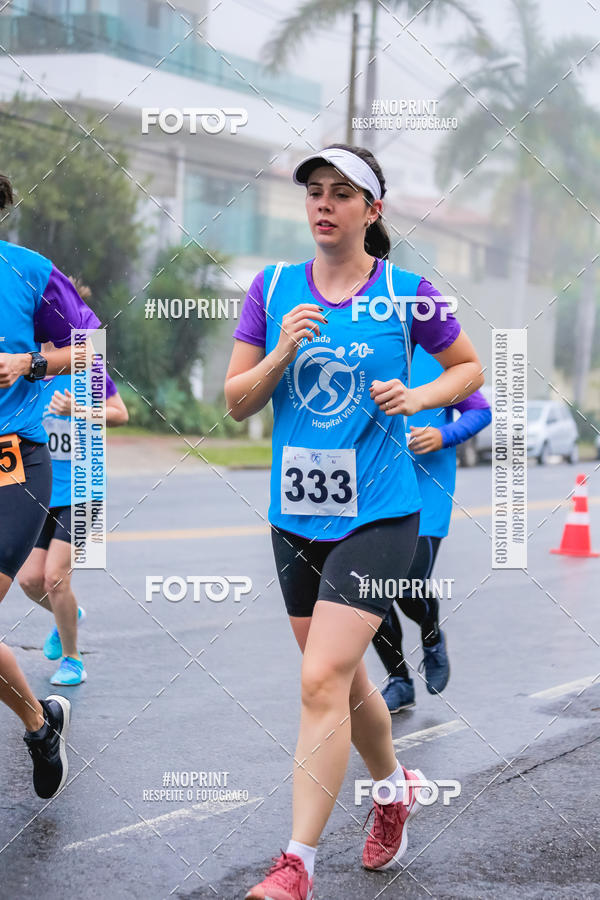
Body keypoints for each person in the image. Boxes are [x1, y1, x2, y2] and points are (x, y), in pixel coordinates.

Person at [224, 144, 485, 900]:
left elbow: (470, 370)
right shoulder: (271, 289)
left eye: (342, 192)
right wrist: (280, 352)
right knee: (338, 680)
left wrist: (422, 394)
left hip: (381, 515)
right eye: (314, 190)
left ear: (373, 211)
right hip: (295, 519)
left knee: (320, 679)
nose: (324, 203)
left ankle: (297, 862)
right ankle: (394, 786)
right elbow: (236, 402)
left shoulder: (408, 294)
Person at [0, 173, 99, 798]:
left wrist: (29, 363)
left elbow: (90, 346)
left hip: (13, 460)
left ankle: (41, 719)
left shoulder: (30, 271)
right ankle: (42, 725)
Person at [372, 344, 491, 712]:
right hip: (373, 487)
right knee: (365, 594)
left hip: (427, 489)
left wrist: (443, 437)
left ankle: (431, 635)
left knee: (407, 584)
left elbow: (480, 411)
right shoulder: (367, 348)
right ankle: (399, 681)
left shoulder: (439, 357)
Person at [18, 332, 128, 686]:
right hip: (41, 488)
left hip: (83, 488)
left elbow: (120, 414)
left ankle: (73, 659)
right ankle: (69, 613)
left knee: (55, 577)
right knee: (31, 580)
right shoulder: (25, 365)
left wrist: (78, 410)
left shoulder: (88, 365)